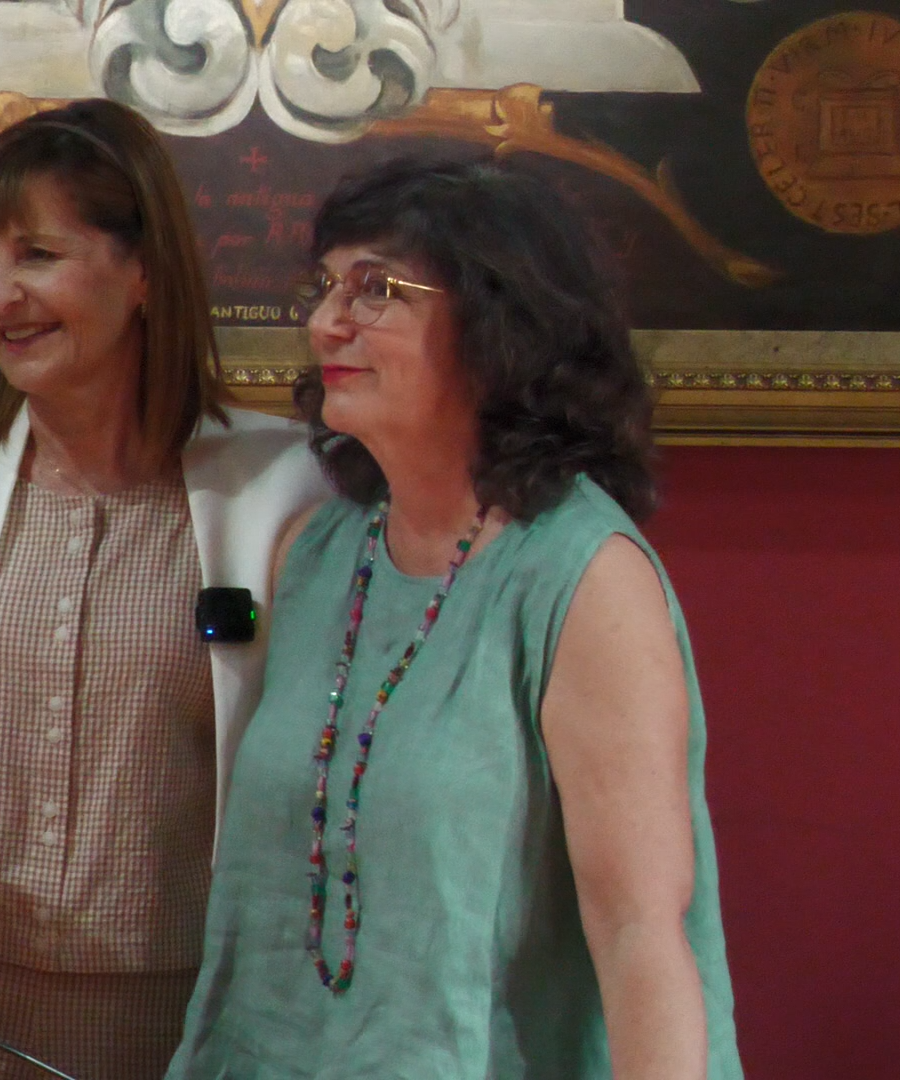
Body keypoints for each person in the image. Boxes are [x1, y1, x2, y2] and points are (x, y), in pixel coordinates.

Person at [167, 158, 743, 1078]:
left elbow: (640, 930)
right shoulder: (315, 555)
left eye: (375, 290)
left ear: (497, 322)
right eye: (324, 289)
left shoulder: (582, 575)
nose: (326, 323)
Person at [0, 100, 331, 1080]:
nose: (0, 295)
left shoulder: (285, 483)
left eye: (37, 255)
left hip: (177, 1032)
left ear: (144, 272)